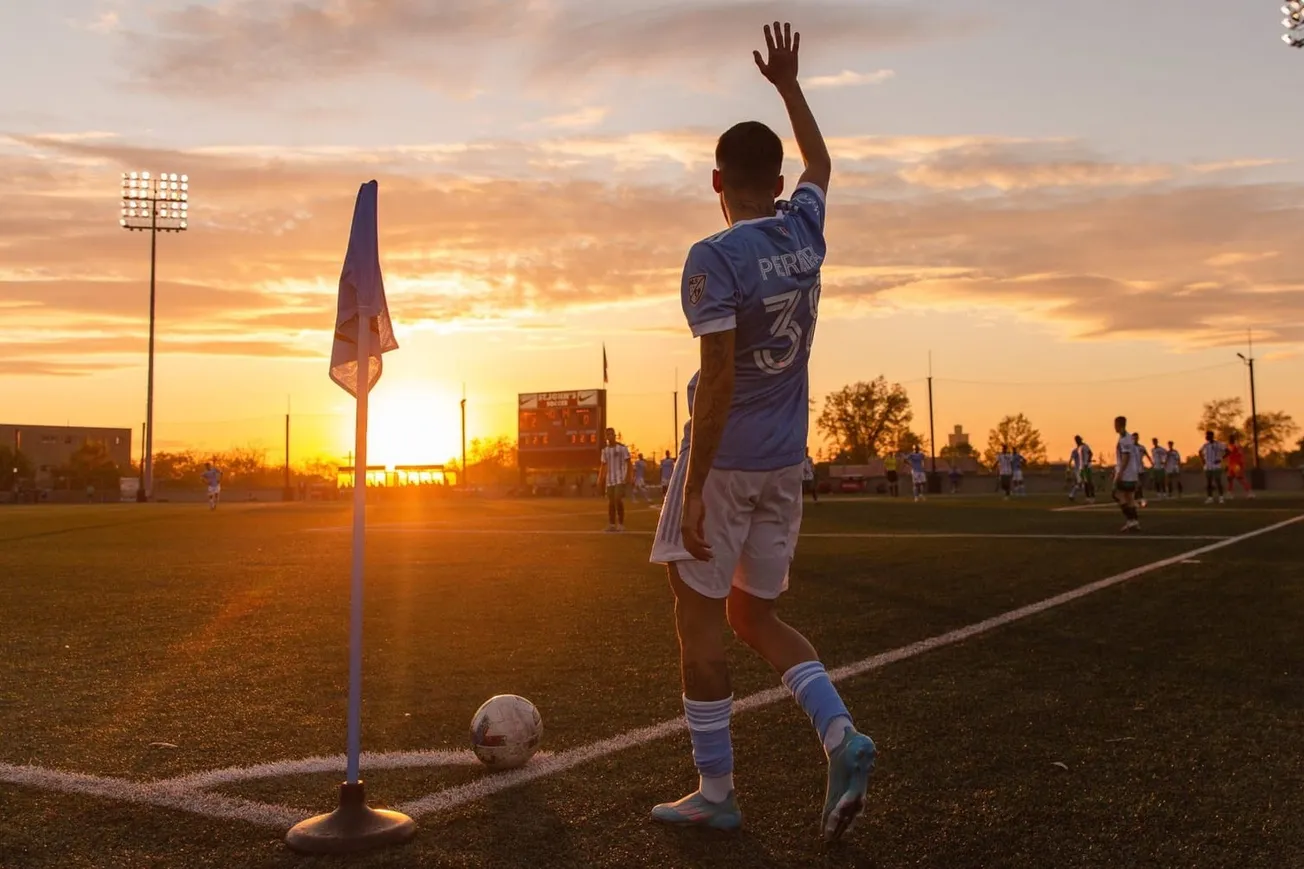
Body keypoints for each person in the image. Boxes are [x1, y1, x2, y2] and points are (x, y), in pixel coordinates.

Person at [648, 23, 875, 841]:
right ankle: (840, 733)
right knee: (757, 616)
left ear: (717, 180)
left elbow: (717, 378)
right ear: (774, 182)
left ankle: (716, 791)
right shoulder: (803, 231)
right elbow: (822, 164)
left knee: (700, 626)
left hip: (730, 462)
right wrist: (789, 87)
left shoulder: (714, 255)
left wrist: (698, 484)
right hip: (786, 464)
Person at [599, 428, 631, 531]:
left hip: (620, 478)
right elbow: (603, 465)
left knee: (617, 499)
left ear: (614, 435)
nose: (609, 436)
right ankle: (612, 524)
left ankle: (621, 524)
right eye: (607, 435)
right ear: (606, 437)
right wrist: (600, 478)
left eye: (611, 434)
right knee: (611, 501)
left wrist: (629, 476)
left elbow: (629, 462)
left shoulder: (622, 448)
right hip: (610, 480)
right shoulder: (605, 451)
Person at [1113, 417, 1141, 532]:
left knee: (1117, 494)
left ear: (1119, 424)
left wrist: (1119, 473)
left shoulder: (1125, 439)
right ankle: (1134, 522)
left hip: (1126, 473)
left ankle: (1131, 520)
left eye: (1115, 424)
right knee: (1129, 497)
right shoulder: (1127, 437)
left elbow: (1126, 457)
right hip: (1131, 472)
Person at [1199, 430, 1226, 505]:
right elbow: (1199, 452)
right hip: (1208, 466)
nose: (1206, 436)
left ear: (1212, 436)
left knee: (1218, 482)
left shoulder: (1218, 444)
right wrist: (1203, 461)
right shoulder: (1205, 445)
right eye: (1206, 435)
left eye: (1208, 435)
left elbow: (1228, 451)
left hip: (1216, 466)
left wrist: (1220, 459)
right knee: (1209, 483)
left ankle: (1221, 497)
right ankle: (1210, 498)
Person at [1225, 432, 1254, 499]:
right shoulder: (1229, 445)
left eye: (1231, 438)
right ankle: (1229, 493)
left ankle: (1250, 493)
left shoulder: (1236, 445)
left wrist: (1240, 464)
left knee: (1240, 478)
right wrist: (1227, 465)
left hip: (1236, 465)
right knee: (1230, 479)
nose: (1230, 439)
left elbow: (1240, 453)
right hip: (1231, 465)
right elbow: (1229, 456)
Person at [1069, 436, 1095, 503]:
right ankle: (1088, 497)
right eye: (1077, 440)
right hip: (1079, 469)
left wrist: (1088, 461)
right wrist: (1069, 468)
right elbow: (1071, 460)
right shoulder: (1075, 450)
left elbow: (1090, 453)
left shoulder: (1085, 446)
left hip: (1086, 467)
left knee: (1087, 482)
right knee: (1084, 483)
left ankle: (1090, 497)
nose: (1078, 441)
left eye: (1079, 440)